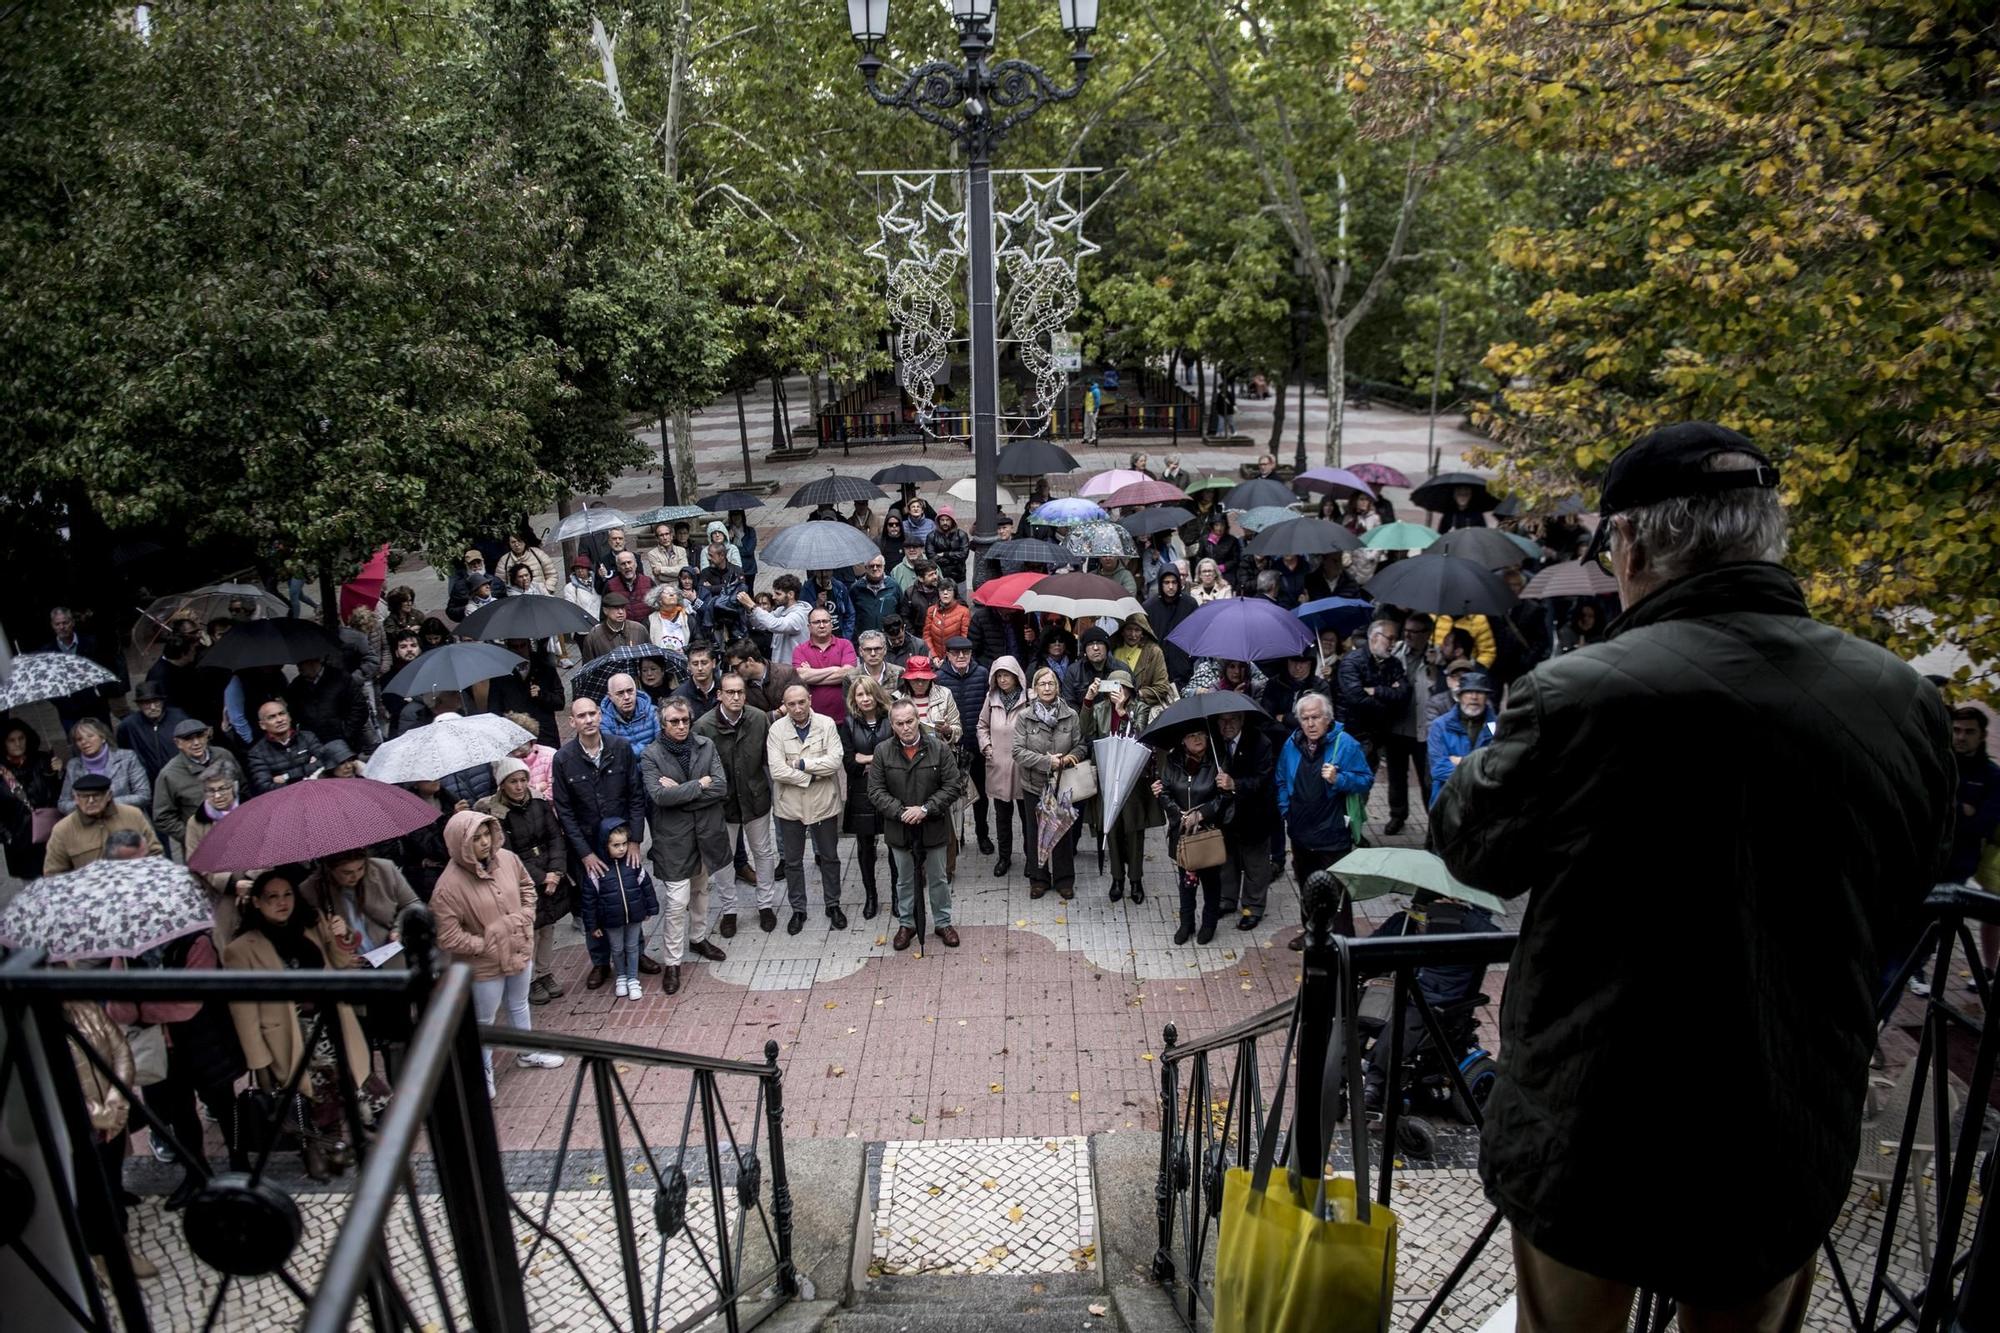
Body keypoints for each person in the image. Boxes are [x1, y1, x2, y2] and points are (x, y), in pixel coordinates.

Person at [1432, 423, 1954, 1327]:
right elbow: (1909, 889)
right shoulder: (1900, 698)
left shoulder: (1578, 694)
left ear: (1630, 541)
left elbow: (1472, 845)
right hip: (1783, 1126)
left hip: (1591, 1125)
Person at [223, 869, 373, 1180]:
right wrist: (258, 1060)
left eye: (287, 894)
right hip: (286, 1036)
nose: (282, 903)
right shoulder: (240, 948)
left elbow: (342, 965)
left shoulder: (312, 923)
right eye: (272, 897)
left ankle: (339, 1144)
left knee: (338, 1088)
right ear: (257, 903)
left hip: (328, 1025)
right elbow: (244, 1010)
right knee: (299, 1097)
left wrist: (341, 936)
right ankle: (311, 1150)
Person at [430, 809, 566, 1096]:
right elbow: (447, 935)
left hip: (518, 947)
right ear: (460, 843)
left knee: (519, 1003)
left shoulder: (507, 858)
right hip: (484, 965)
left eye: (487, 835)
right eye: (475, 838)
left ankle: (527, 1053)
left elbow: (527, 885)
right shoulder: (448, 886)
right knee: (485, 1019)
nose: (484, 842)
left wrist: (527, 914)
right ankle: (484, 1071)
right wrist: (481, 945)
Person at [550, 696, 652, 990]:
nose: (589, 720)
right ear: (572, 722)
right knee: (591, 902)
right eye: (581, 716)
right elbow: (564, 811)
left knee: (629, 894)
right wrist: (583, 853)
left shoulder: (620, 748)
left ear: (600, 715)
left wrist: (634, 839)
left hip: (622, 843)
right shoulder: (564, 759)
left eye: (593, 713)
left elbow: (635, 795)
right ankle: (600, 962)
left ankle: (637, 954)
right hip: (589, 847)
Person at [639, 697, 732, 994]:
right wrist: (698, 786)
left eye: (684, 721)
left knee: (701, 891)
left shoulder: (705, 745)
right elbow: (659, 796)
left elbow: (721, 787)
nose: (681, 726)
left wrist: (682, 792)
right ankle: (673, 962)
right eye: (674, 722)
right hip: (674, 840)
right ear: (663, 724)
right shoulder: (651, 755)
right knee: (677, 902)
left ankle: (699, 937)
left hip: (705, 834)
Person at [870, 697, 967, 950]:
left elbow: (953, 786)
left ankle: (943, 922)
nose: (906, 727)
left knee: (938, 877)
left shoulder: (939, 748)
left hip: (933, 824)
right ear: (892, 725)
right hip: (899, 827)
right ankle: (907, 923)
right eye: (900, 723)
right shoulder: (882, 751)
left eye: (910, 721)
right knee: (904, 879)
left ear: (918, 720)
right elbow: (876, 791)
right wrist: (901, 812)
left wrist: (925, 809)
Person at [1274, 692, 1371, 942]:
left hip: (1333, 832)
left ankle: (1343, 939)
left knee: (1337, 890)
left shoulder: (1346, 744)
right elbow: (1281, 778)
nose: (1310, 723)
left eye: (1316, 717)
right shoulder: (1292, 743)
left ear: (1328, 719)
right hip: (1301, 830)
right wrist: (1287, 810)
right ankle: (1311, 933)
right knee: (1308, 886)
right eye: (1305, 718)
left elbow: (1365, 779)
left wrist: (1340, 779)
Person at [474, 759, 569, 1004]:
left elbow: (554, 836)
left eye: (523, 780)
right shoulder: (496, 814)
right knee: (529, 929)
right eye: (513, 782)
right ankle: (529, 980)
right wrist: (541, 877)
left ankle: (544, 971)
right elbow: (508, 854)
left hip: (549, 868)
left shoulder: (538, 802)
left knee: (549, 926)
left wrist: (556, 870)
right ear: (502, 784)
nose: (519, 786)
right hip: (522, 878)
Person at [696, 672, 780, 936]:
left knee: (763, 852)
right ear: (719, 694)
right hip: (722, 804)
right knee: (724, 859)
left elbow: (768, 759)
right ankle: (729, 910)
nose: (735, 697)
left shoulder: (758, 718)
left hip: (756, 798)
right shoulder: (703, 726)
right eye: (729, 692)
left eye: (740, 692)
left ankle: (766, 905)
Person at [767, 683, 847, 935]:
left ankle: (833, 905)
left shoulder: (826, 724)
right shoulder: (776, 730)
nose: (798, 708)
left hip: (824, 803)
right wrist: (810, 776)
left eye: (802, 702)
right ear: (785, 705)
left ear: (810, 699)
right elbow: (777, 769)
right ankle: (798, 909)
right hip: (790, 806)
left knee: (830, 857)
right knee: (792, 861)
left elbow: (835, 761)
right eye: (791, 704)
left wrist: (802, 763)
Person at [1086, 668, 1162, 904]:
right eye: (1113, 687)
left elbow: (1141, 735)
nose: (1117, 692)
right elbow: (1086, 731)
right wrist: (1088, 700)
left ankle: (1136, 880)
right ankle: (1117, 878)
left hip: (1133, 778)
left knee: (1134, 830)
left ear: (1130, 690)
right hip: (1108, 776)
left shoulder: (1140, 707)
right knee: (1112, 828)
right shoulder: (1099, 709)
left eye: (1123, 687)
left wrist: (1122, 712)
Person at [1012, 667, 1087, 901]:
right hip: (1034, 783)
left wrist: (1067, 759)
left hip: (1063, 783)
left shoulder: (1071, 715)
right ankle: (1039, 879)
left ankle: (1065, 880)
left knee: (1063, 831)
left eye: (1051, 684)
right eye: (1042, 684)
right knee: (1036, 833)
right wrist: (1047, 761)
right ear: (1034, 689)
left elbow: (1081, 745)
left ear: (1057, 687)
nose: (1046, 688)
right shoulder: (1025, 716)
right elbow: (1017, 752)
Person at [1154, 728, 1228, 944]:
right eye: (1190, 735)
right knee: (1186, 881)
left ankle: (1209, 923)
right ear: (1182, 740)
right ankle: (1187, 923)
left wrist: (1201, 814)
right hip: (1182, 833)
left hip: (1208, 833)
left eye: (1200, 734)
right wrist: (1180, 814)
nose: (1196, 739)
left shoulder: (1217, 759)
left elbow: (1223, 797)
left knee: (1211, 882)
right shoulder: (1173, 760)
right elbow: (1164, 793)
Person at [579, 818, 658, 1001]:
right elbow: (589, 900)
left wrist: (650, 908)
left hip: (634, 915)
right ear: (605, 845)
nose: (622, 849)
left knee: (632, 947)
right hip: (610, 919)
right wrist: (593, 925)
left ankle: (632, 978)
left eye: (624, 844)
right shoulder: (597, 870)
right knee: (617, 948)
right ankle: (621, 976)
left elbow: (646, 886)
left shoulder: (633, 863)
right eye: (616, 845)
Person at [841, 676, 897, 922]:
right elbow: (849, 763)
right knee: (865, 849)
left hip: (891, 789)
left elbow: (895, 756)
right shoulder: (848, 723)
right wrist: (866, 760)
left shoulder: (890, 719)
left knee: (895, 845)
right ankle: (871, 896)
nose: (865, 699)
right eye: (859, 695)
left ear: (877, 695)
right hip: (861, 793)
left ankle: (898, 896)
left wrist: (866, 758)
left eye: (869, 694)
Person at [299, 849, 419, 966]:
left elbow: (413, 904)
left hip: (389, 957)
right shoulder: (312, 889)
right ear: (330, 869)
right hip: (349, 967)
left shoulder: (385, 869)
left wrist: (399, 929)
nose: (356, 876)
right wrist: (338, 956)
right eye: (347, 873)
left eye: (361, 868)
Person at [1214, 709, 1277, 928]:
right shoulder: (1215, 741)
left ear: (1242, 719)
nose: (1227, 724)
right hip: (1226, 816)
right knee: (1227, 860)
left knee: (1255, 865)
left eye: (1232, 719)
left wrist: (1235, 784)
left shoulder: (1261, 742)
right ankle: (1227, 899)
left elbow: (1263, 780)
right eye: (1222, 719)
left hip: (1255, 813)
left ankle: (1253, 907)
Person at [1337, 619, 1413, 785]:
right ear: (1374, 637)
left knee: (1365, 785)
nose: (1394, 644)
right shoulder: (1352, 661)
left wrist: (1376, 691)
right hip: (1352, 735)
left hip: (1377, 737)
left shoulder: (1394, 664)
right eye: (1390, 638)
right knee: (1347, 785)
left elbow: (1405, 694)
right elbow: (1357, 698)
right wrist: (1389, 698)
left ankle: (1356, 812)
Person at [1383, 614, 1440, 835]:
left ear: (1427, 634)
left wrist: (1437, 668)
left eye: (1413, 632)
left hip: (1423, 730)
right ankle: (1397, 815)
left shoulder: (1436, 658)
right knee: (1396, 777)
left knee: (1427, 779)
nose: (1407, 635)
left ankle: (1433, 821)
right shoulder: (1397, 651)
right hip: (1396, 727)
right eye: (1406, 630)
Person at [46, 773, 161, 872]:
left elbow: (155, 853)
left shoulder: (133, 815)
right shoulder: (63, 830)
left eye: (96, 795)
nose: (91, 801)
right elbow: (55, 873)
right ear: (75, 798)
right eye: (84, 796)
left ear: (109, 796)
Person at [2, 718, 62, 880]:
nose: (18, 744)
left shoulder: (43, 760)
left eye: (21, 738)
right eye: (11, 740)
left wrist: (57, 773)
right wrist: (9, 837)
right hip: (21, 843)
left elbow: (59, 795)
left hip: (51, 836)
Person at [1427, 668, 1497, 805]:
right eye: (1469, 692)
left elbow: (1500, 768)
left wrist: (1461, 761)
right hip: (1447, 803)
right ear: (1459, 697)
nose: (1474, 697)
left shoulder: (1499, 727)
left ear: (1486, 697)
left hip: (1486, 805)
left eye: (1480, 692)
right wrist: (1480, 770)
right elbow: (1439, 770)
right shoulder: (1440, 726)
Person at [58, 717, 152, 813]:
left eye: (90, 736)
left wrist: (104, 803)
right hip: (90, 824)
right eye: (79, 739)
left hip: (126, 819)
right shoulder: (73, 765)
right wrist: (87, 805)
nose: (84, 742)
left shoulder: (127, 757)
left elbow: (143, 796)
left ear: (103, 738)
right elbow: (63, 804)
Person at [285, 656, 371, 756]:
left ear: (314, 661)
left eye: (301, 664)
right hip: (314, 746)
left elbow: (359, 707)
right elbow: (293, 715)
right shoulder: (296, 686)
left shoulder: (341, 678)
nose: (298, 667)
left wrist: (346, 731)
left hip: (345, 743)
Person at [245, 699, 324, 795]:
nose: (279, 720)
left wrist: (287, 776)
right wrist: (307, 771)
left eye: (282, 714)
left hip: (317, 792)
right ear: (262, 725)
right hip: (286, 800)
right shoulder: (257, 753)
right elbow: (264, 787)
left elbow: (325, 764)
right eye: (272, 717)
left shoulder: (307, 737)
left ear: (289, 717)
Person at [794, 607, 859, 724]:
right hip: (813, 719)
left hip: (845, 719)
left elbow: (848, 673)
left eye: (825, 621)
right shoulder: (800, 650)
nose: (822, 625)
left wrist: (812, 675)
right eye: (816, 622)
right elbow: (802, 676)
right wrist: (835, 669)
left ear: (831, 624)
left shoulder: (845, 644)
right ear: (809, 627)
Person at [116, 682, 189, 783]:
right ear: (139, 705)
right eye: (147, 703)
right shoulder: (129, 725)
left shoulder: (178, 717)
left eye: (156, 702)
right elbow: (123, 755)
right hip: (147, 781)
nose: (153, 707)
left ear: (163, 701)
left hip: (180, 777)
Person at [1142, 569, 1198, 686]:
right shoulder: (1149, 606)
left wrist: (1190, 659)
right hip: (1158, 665)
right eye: (1166, 583)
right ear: (1160, 584)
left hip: (1183, 665)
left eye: (1174, 582)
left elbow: (1196, 635)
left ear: (1179, 583)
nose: (1171, 587)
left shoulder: (1189, 604)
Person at [600, 672, 660, 751]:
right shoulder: (604, 722)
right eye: (620, 693)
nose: (627, 697)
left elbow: (661, 745)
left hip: (652, 762)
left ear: (636, 691)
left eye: (630, 691)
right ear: (610, 696)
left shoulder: (653, 712)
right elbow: (614, 753)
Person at [582, 593, 649, 661]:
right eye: (616, 608)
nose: (621, 612)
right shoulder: (594, 636)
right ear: (605, 611)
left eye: (623, 608)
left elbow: (650, 656)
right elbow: (588, 665)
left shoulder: (639, 629)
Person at [851, 555, 904, 638]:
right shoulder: (856, 588)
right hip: (864, 638)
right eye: (871, 566)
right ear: (866, 568)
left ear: (883, 567)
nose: (875, 568)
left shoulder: (894, 586)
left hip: (889, 637)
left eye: (878, 565)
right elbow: (851, 614)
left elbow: (902, 611)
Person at [922, 581, 971, 661]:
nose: (945, 593)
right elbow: (927, 636)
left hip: (955, 659)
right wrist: (934, 656)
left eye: (949, 590)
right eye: (942, 590)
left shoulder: (964, 611)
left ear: (954, 593)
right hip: (935, 659)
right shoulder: (931, 610)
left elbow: (964, 639)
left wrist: (950, 658)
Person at [673, 642, 722, 719]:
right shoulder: (678, 696)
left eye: (704, 663)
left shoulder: (725, 689)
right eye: (695, 664)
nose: (700, 668)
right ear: (688, 665)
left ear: (713, 663)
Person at [926, 506, 971, 586]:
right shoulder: (931, 536)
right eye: (942, 520)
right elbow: (931, 557)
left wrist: (945, 554)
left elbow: (964, 554)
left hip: (959, 576)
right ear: (938, 521)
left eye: (947, 520)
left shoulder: (962, 535)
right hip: (940, 577)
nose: (945, 523)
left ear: (952, 521)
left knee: (960, 598)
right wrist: (952, 560)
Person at [648, 586, 695, 656]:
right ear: (659, 600)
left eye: (674, 593)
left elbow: (698, 641)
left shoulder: (688, 619)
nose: (672, 595)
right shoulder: (650, 620)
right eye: (667, 593)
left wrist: (685, 649)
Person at [855, 630, 903, 696]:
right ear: (860, 651)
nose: (873, 654)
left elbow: (903, 703)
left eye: (877, 649)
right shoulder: (850, 676)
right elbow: (850, 704)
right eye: (868, 649)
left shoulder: (899, 673)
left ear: (885, 650)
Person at [562, 553, 602, 624]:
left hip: (601, 623)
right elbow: (571, 608)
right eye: (577, 568)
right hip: (584, 626)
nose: (580, 570)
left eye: (583, 567)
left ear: (588, 569)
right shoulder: (570, 587)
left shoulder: (598, 582)